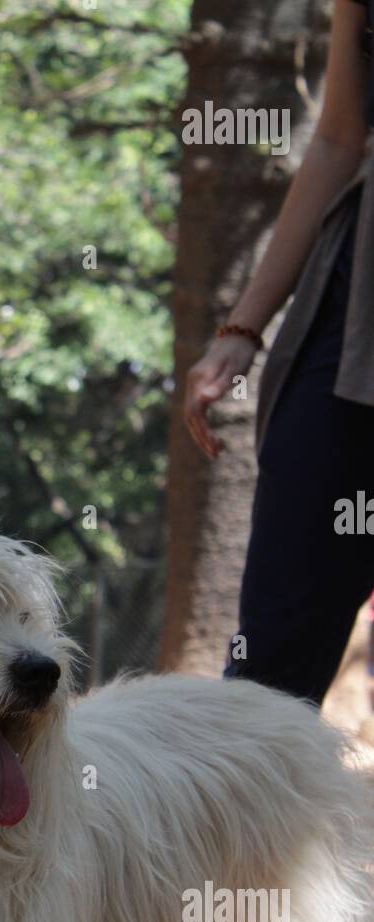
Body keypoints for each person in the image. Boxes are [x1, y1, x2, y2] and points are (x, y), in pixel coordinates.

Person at [184, 0, 374, 706]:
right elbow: (336, 143)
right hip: (349, 323)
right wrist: (241, 332)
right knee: (271, 669)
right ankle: (254, 813)